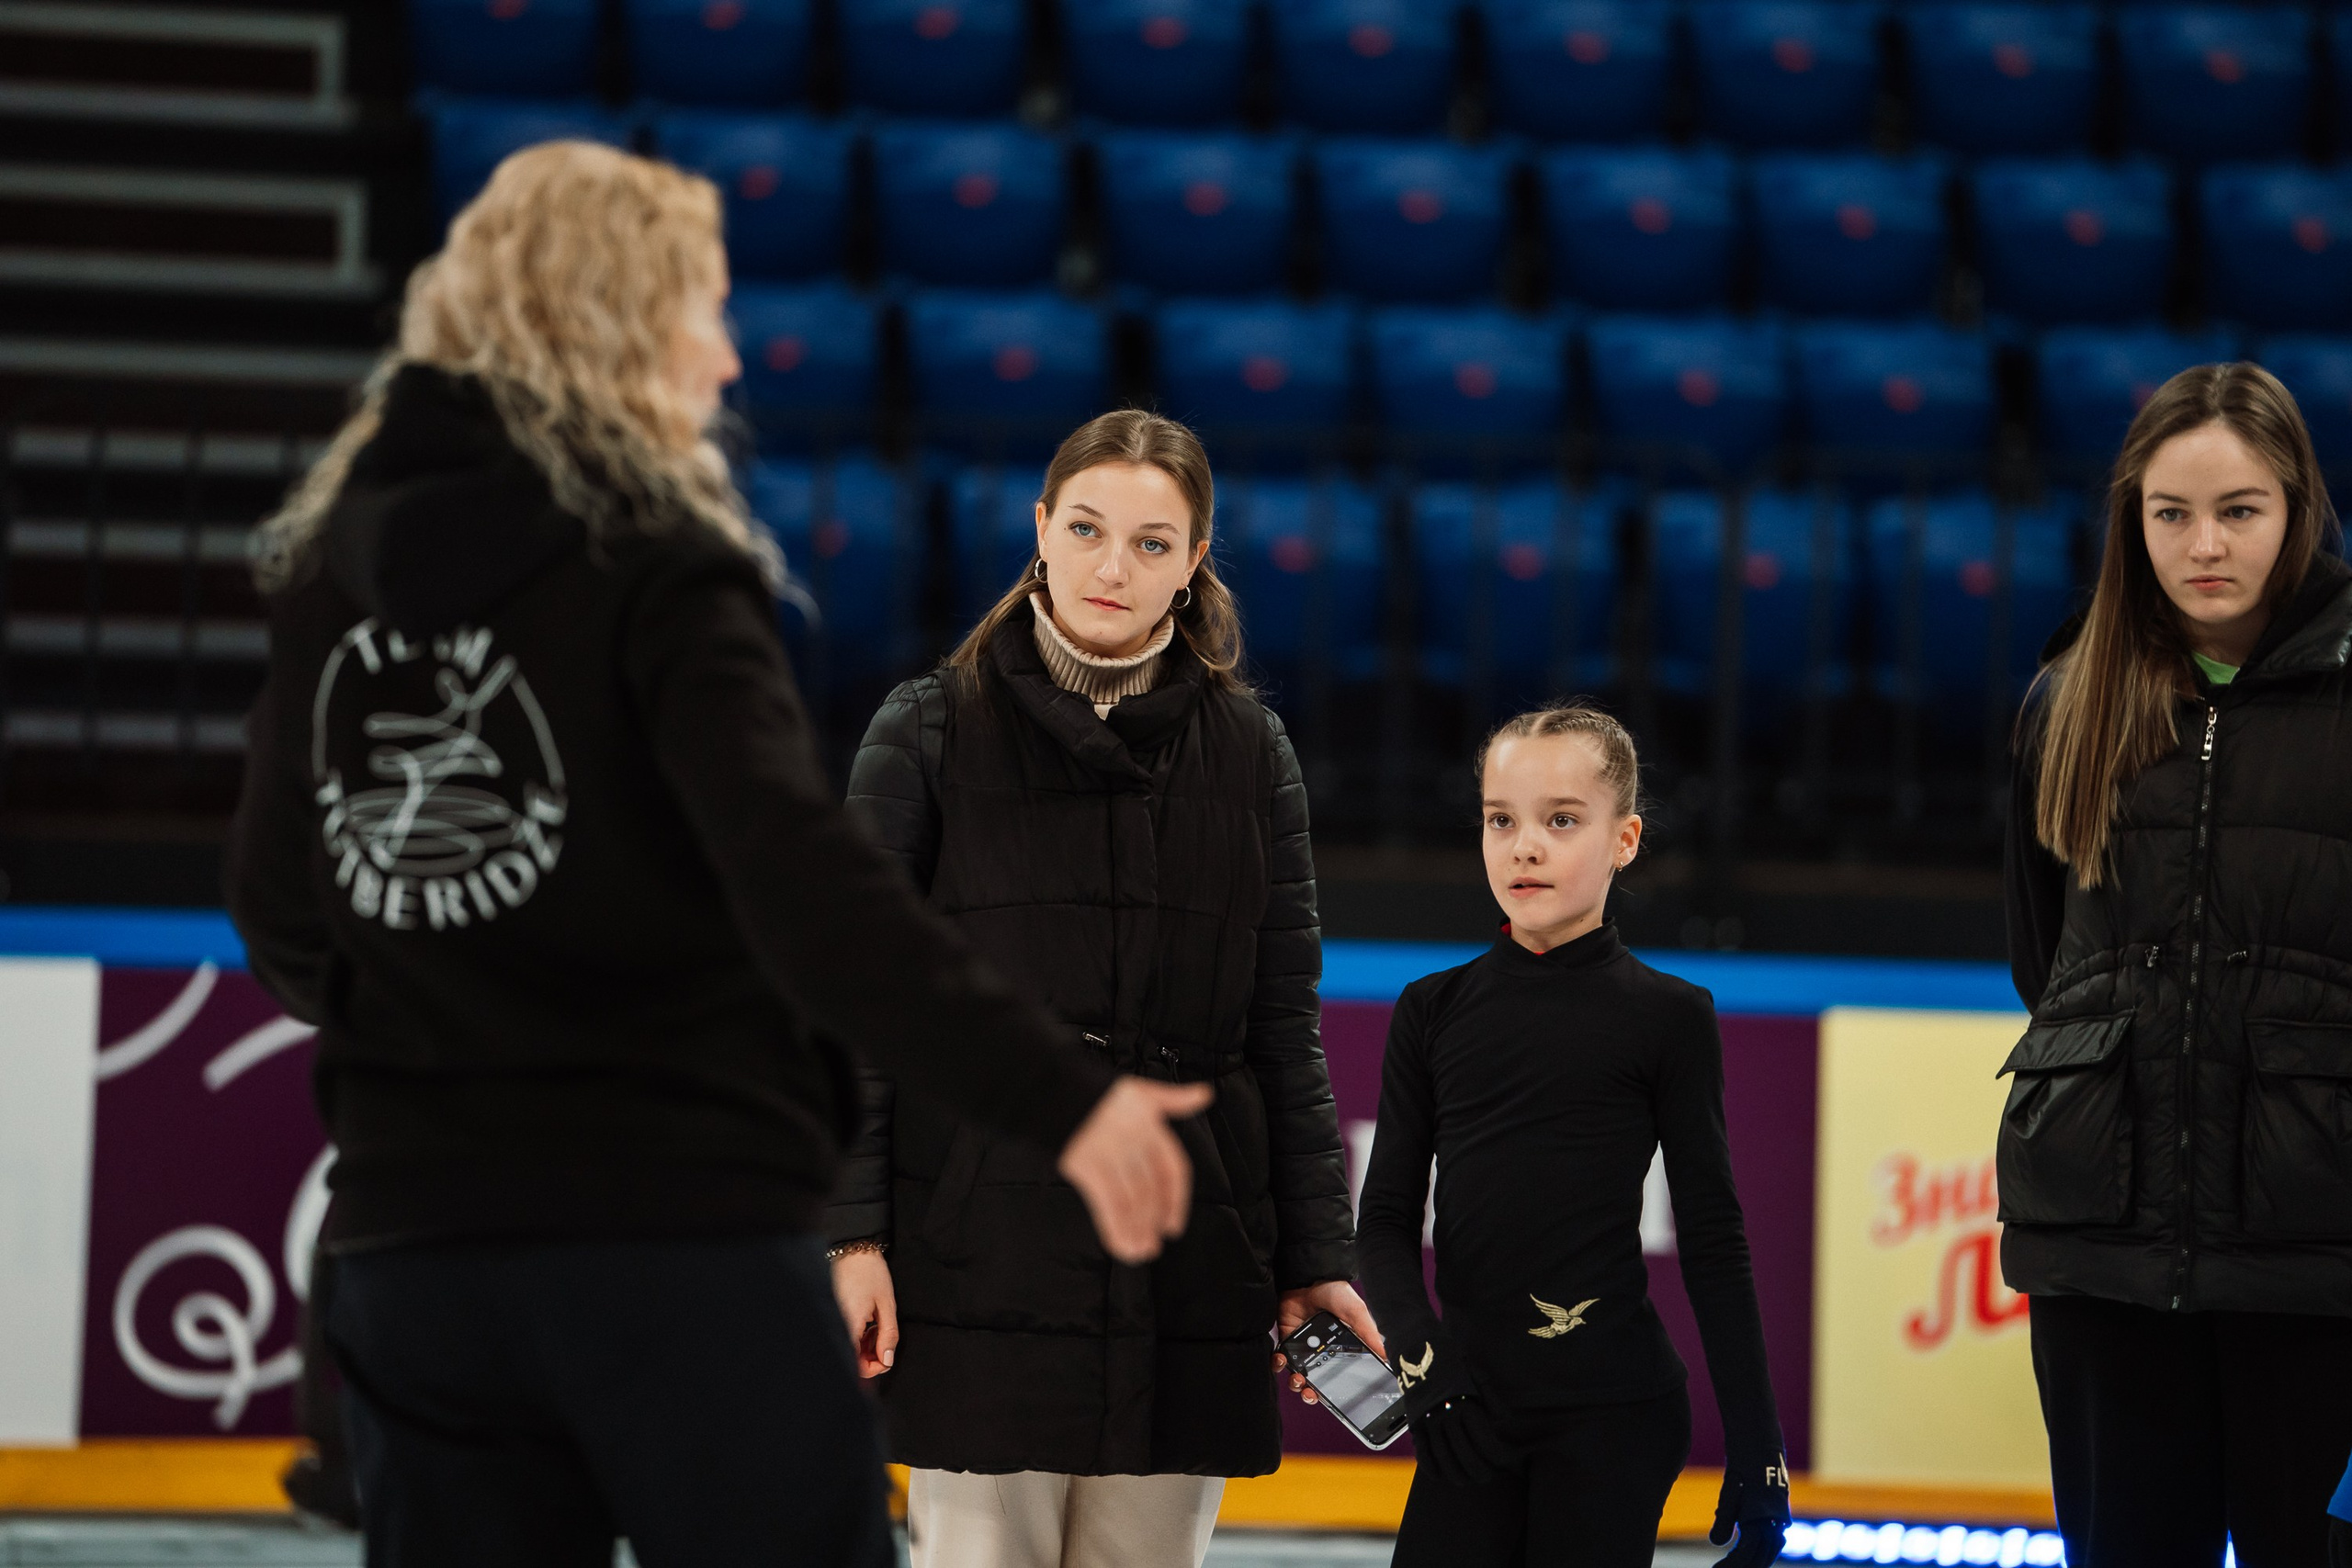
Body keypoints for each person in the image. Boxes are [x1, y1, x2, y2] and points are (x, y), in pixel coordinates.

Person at [224, 142, 1208, 1568]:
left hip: (409, 1250)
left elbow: (280, 907)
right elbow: (806, 888)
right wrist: (1063, 1095)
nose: (726, 361)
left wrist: (458, 1016)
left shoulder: (331, 566)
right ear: (619, 320)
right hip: (667, 1230)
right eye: (706, 311)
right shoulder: (657, 562)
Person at [824, 410, 1371, 1568]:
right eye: (1086, 529)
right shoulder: (925, 730)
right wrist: (849, 1234)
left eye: (1151, 543)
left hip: (1189, 1252)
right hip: (977, 1245)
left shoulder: (1252, 752)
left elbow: (1283, 1028)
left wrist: (1317, 1257)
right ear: (1040, 531)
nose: (1112, 567)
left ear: (1194, 564)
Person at [2006, 361, 2352, 1568]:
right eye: (2172, 512)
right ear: (2131, 519)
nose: (2205, 543)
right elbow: (2046, 958)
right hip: (2105, 1254)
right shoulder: (2066, 699)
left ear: (2299, 506)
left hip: (2317, 1260)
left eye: (2240, 510)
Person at [1355, 705, 1788, 1568]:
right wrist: (1422, 1364)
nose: (1524, 846)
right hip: (1466, 1406)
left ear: (1624, 839)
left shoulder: (1670, 1017)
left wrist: (1758, 1442)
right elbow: (1385, 1222)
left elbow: (1712, 1240)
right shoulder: (1432, 1011)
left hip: (1616, 1413)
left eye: (1561, 820)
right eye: (1500, 820)